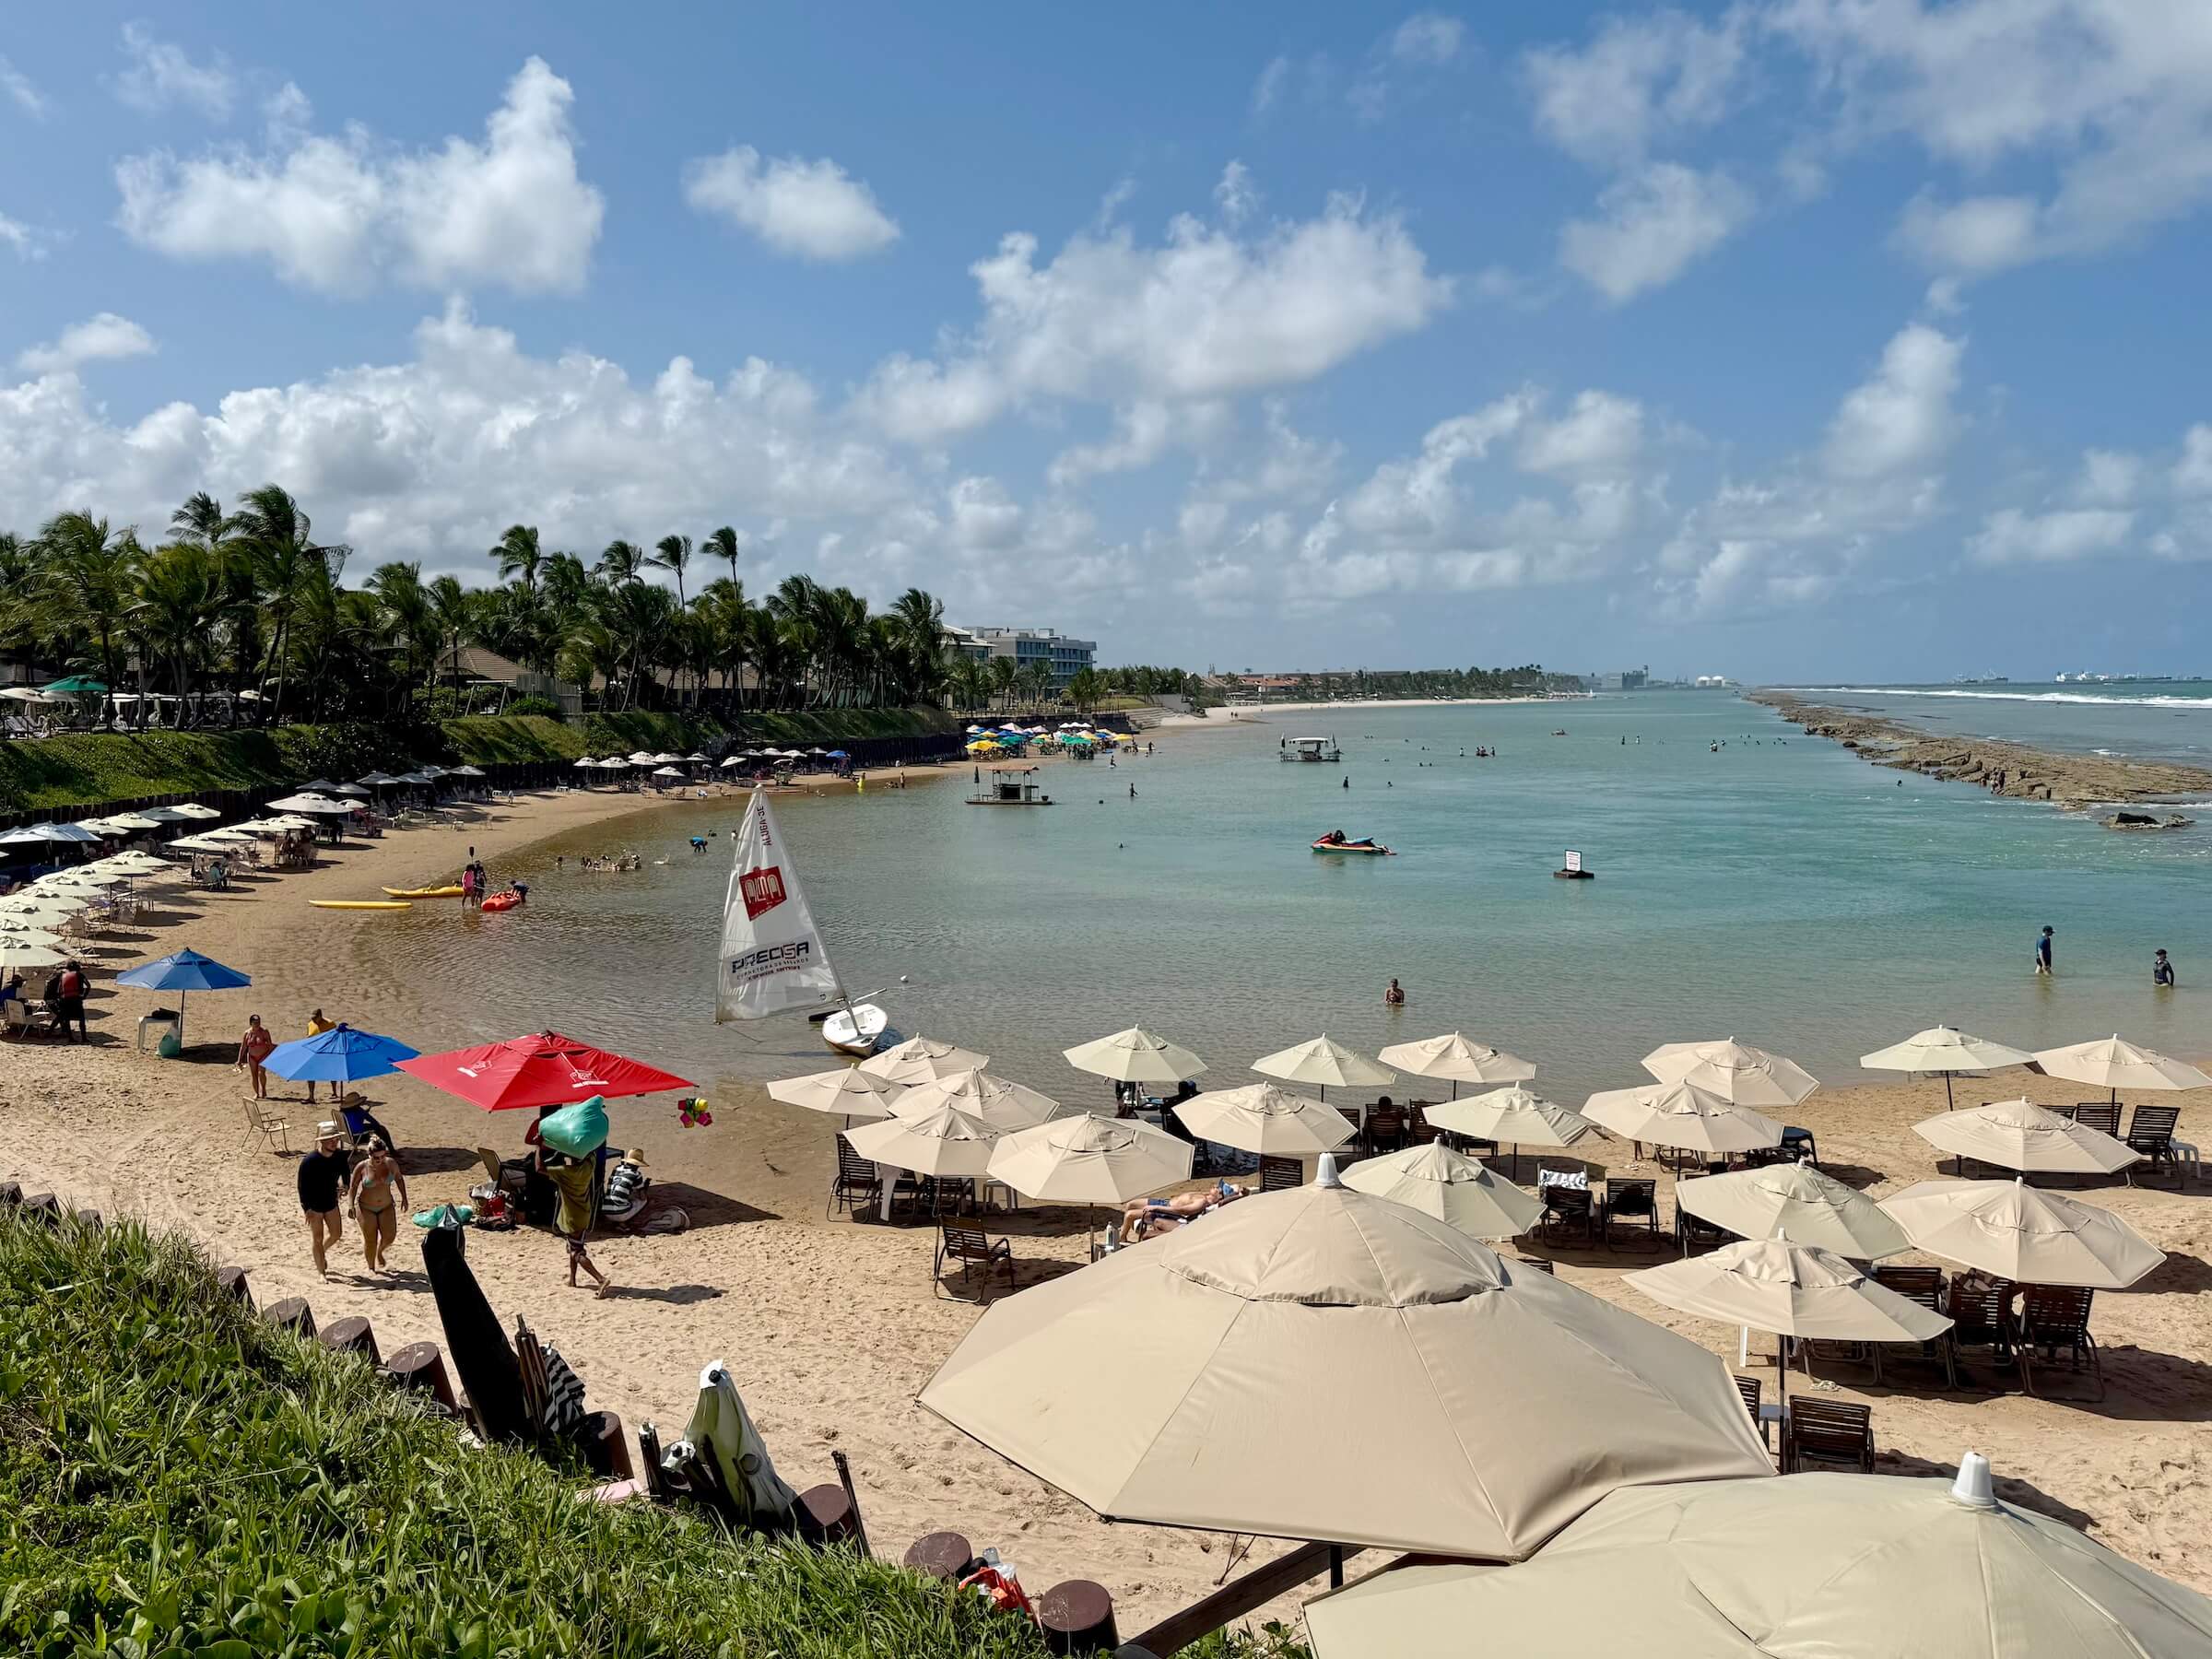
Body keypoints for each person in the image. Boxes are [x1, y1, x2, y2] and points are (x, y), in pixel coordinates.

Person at [545, 1151, 611, 1297]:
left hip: (571, 1217)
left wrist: (541, 1148)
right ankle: (572, 1280)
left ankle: (601, 1279)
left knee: (576, 1253)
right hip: (584, 1213)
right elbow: (592, 1155)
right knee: (574, 1245)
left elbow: (539, 1167)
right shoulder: (588, 1167)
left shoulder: (565, 1173)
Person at [345, 1137, 406, 1275]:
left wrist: (404, 1198)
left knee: (390, 1236)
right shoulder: (362, 1167)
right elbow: (353, 1187)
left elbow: (399, 1179)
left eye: (383, 1156)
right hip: (366, 1207)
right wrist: (350, 1205)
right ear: (369, 1155)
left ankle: (380, 1252)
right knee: (370, 1239)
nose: (380, 1159)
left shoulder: (390, 1164)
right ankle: (371, 1267)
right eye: (376, 1157)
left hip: (386, 1205)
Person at [297, 1124, 349, 1279]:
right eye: (331, 1140)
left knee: (336, 1234)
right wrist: (306, 1209)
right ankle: (321, 1272)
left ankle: (321, 1252)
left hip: (331, 1202)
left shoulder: (340, 1156)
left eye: (336, 1139)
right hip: (314, 1205)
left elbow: (346, 1171)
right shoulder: (309, 1161)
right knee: (317, 1238)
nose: (334, 1142)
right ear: (322, 1142)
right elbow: (302, 1187)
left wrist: (345, 1184)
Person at [236, 1014, 276, 1094]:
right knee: (254, 1075)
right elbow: (243, 1047)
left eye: (258, 1022)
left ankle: (263, 1089)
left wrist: (272, 1057)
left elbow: (270, 1045)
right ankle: (256, 1093)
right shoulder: (247, 1033)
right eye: (255, 1023)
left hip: (263, 1055)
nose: (257, 1024)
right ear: (251, 1023)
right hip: (252, 1057)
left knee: (261, 1073)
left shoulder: (264, 1031)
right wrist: (239, 1060)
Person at [303, 1007, 335, 1102]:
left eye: (315, 1018)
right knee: (310, 1073)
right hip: (314, 1052)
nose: (313, 1020)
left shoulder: (330, 1024)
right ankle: (311, 1096)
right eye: (312, 1018)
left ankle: (334, 1092)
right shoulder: (310, 1024)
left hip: (328, 1051)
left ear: (320, 1017)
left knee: (332, 1072)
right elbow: (308, 1038)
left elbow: (336, 1037)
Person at [53, 959, 88, 1041]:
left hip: (65, 1000)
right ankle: (84, 1038)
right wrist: (84, 996)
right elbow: (88, 986)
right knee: (81, 1019)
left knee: (67, 1019)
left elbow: (58, 990)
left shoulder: (63, 976)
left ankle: (70, 1038)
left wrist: (59, 1001)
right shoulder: (79, 975)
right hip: (76, 999)